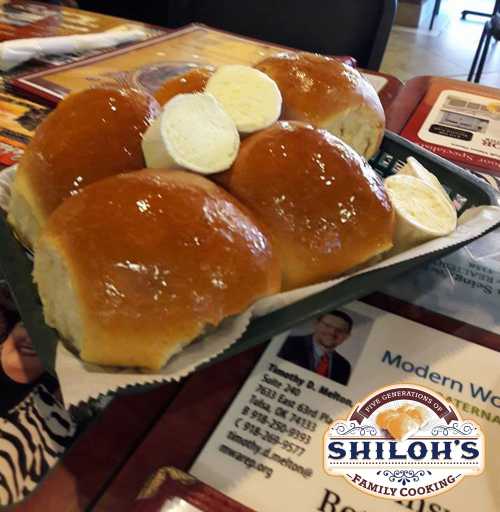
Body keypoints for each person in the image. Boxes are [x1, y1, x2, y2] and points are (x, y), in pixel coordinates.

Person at [278, 311, 353, 385]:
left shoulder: (344, 366)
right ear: (316, 324)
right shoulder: (286, 344)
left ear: (346, 336)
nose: (332, 332)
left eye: (340, 330)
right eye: (327, 326)